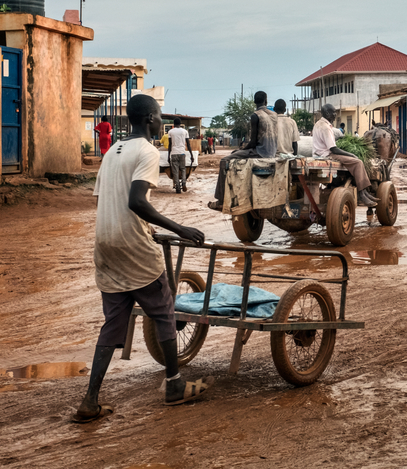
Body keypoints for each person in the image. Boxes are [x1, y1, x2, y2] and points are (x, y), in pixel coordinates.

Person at [72, 94, 210, 423]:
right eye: (160, 116)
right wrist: (179, 228)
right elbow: (136, 200)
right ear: (150, 118)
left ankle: (90, 400)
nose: (162, 121)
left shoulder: (113, 151)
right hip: (133, 246)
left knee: (113, 325)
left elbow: (107, 199)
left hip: (105, 244)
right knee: (164, 312)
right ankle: (174, 385)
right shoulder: (147, 150)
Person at [209, 91, 279, 209]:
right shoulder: (274, 115)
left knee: (224, 160)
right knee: (236, 154)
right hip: (272, 152)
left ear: (254, 101)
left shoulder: (255, 115)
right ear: (266, 101)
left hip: (260, 153)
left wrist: (240, 149)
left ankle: (221, 200)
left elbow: (252, 143)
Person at [313, 103, 378, 206]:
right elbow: (333, 149)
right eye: (333, 112)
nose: (335, 114)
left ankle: (365, 192)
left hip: (319, 154)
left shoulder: (318, 124)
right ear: (326, 113)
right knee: (358, 162)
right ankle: (362, 193)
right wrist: (351, 154)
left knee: (355, 161)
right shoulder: (325, 127)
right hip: (327, 155)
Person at [167, 118, 192, 194]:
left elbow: (170, 144)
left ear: (173, 124)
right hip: (182, 152)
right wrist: (191, 155)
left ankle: (178, 187)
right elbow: (188, 144)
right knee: (183, 169)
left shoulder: (170, 132)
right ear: (180, 123)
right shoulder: (184, 131)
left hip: (174, 153)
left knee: (175, 171)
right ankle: (184, 183)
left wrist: (168, 155)